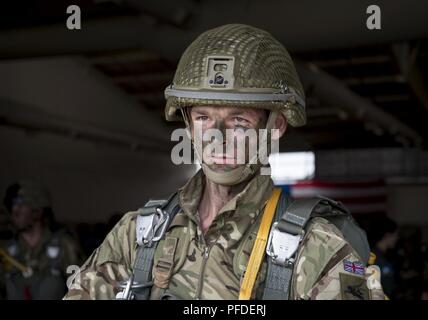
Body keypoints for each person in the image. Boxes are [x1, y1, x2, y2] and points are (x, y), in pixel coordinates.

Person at [64, 24, 385, 300]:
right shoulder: (139, 234)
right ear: (188, 125)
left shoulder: (316, 247)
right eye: (203, 117)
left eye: (239, 121)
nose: (217, 136)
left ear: (275, 125)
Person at [0, 180, 83, 299]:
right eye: (14, 204)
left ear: (38, 211)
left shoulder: (64, 246)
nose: (15, 210)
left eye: (22, 204)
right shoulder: (6, 251)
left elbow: (85, 288)